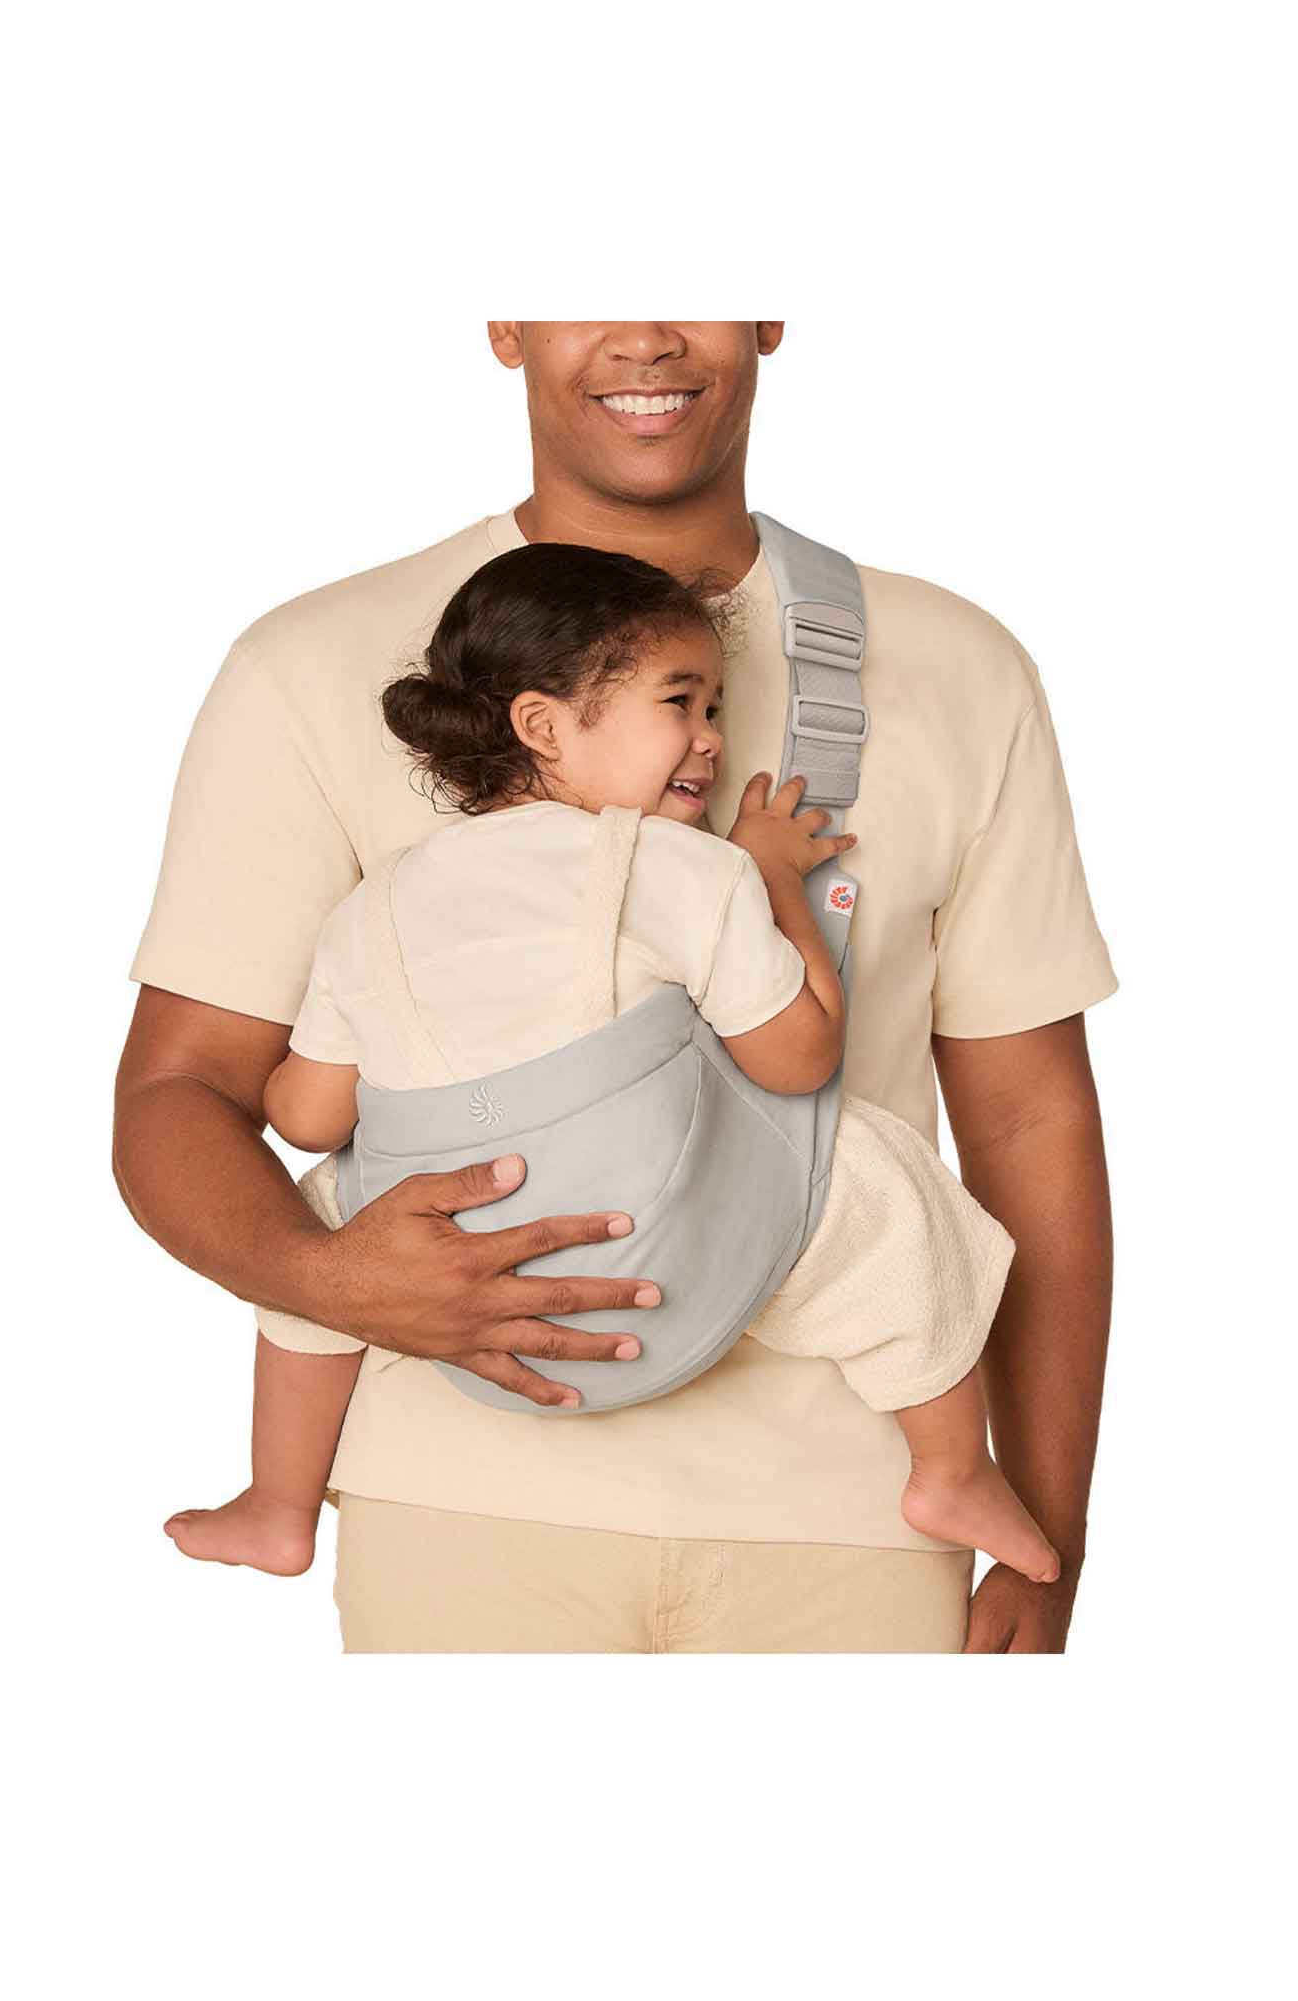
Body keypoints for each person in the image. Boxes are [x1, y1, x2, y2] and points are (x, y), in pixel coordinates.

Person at [116, 321, 1116, 1654]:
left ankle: (272, 1496)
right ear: (503, 321)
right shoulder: (306, 664)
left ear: (769, 311)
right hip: (463, 1509)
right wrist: (334, 1275)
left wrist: (1052, 1528)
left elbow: (1030, 1124)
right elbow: (180, 1091)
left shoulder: (957, 664)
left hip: (847, 1517)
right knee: (875, 1197)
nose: (643, 332)